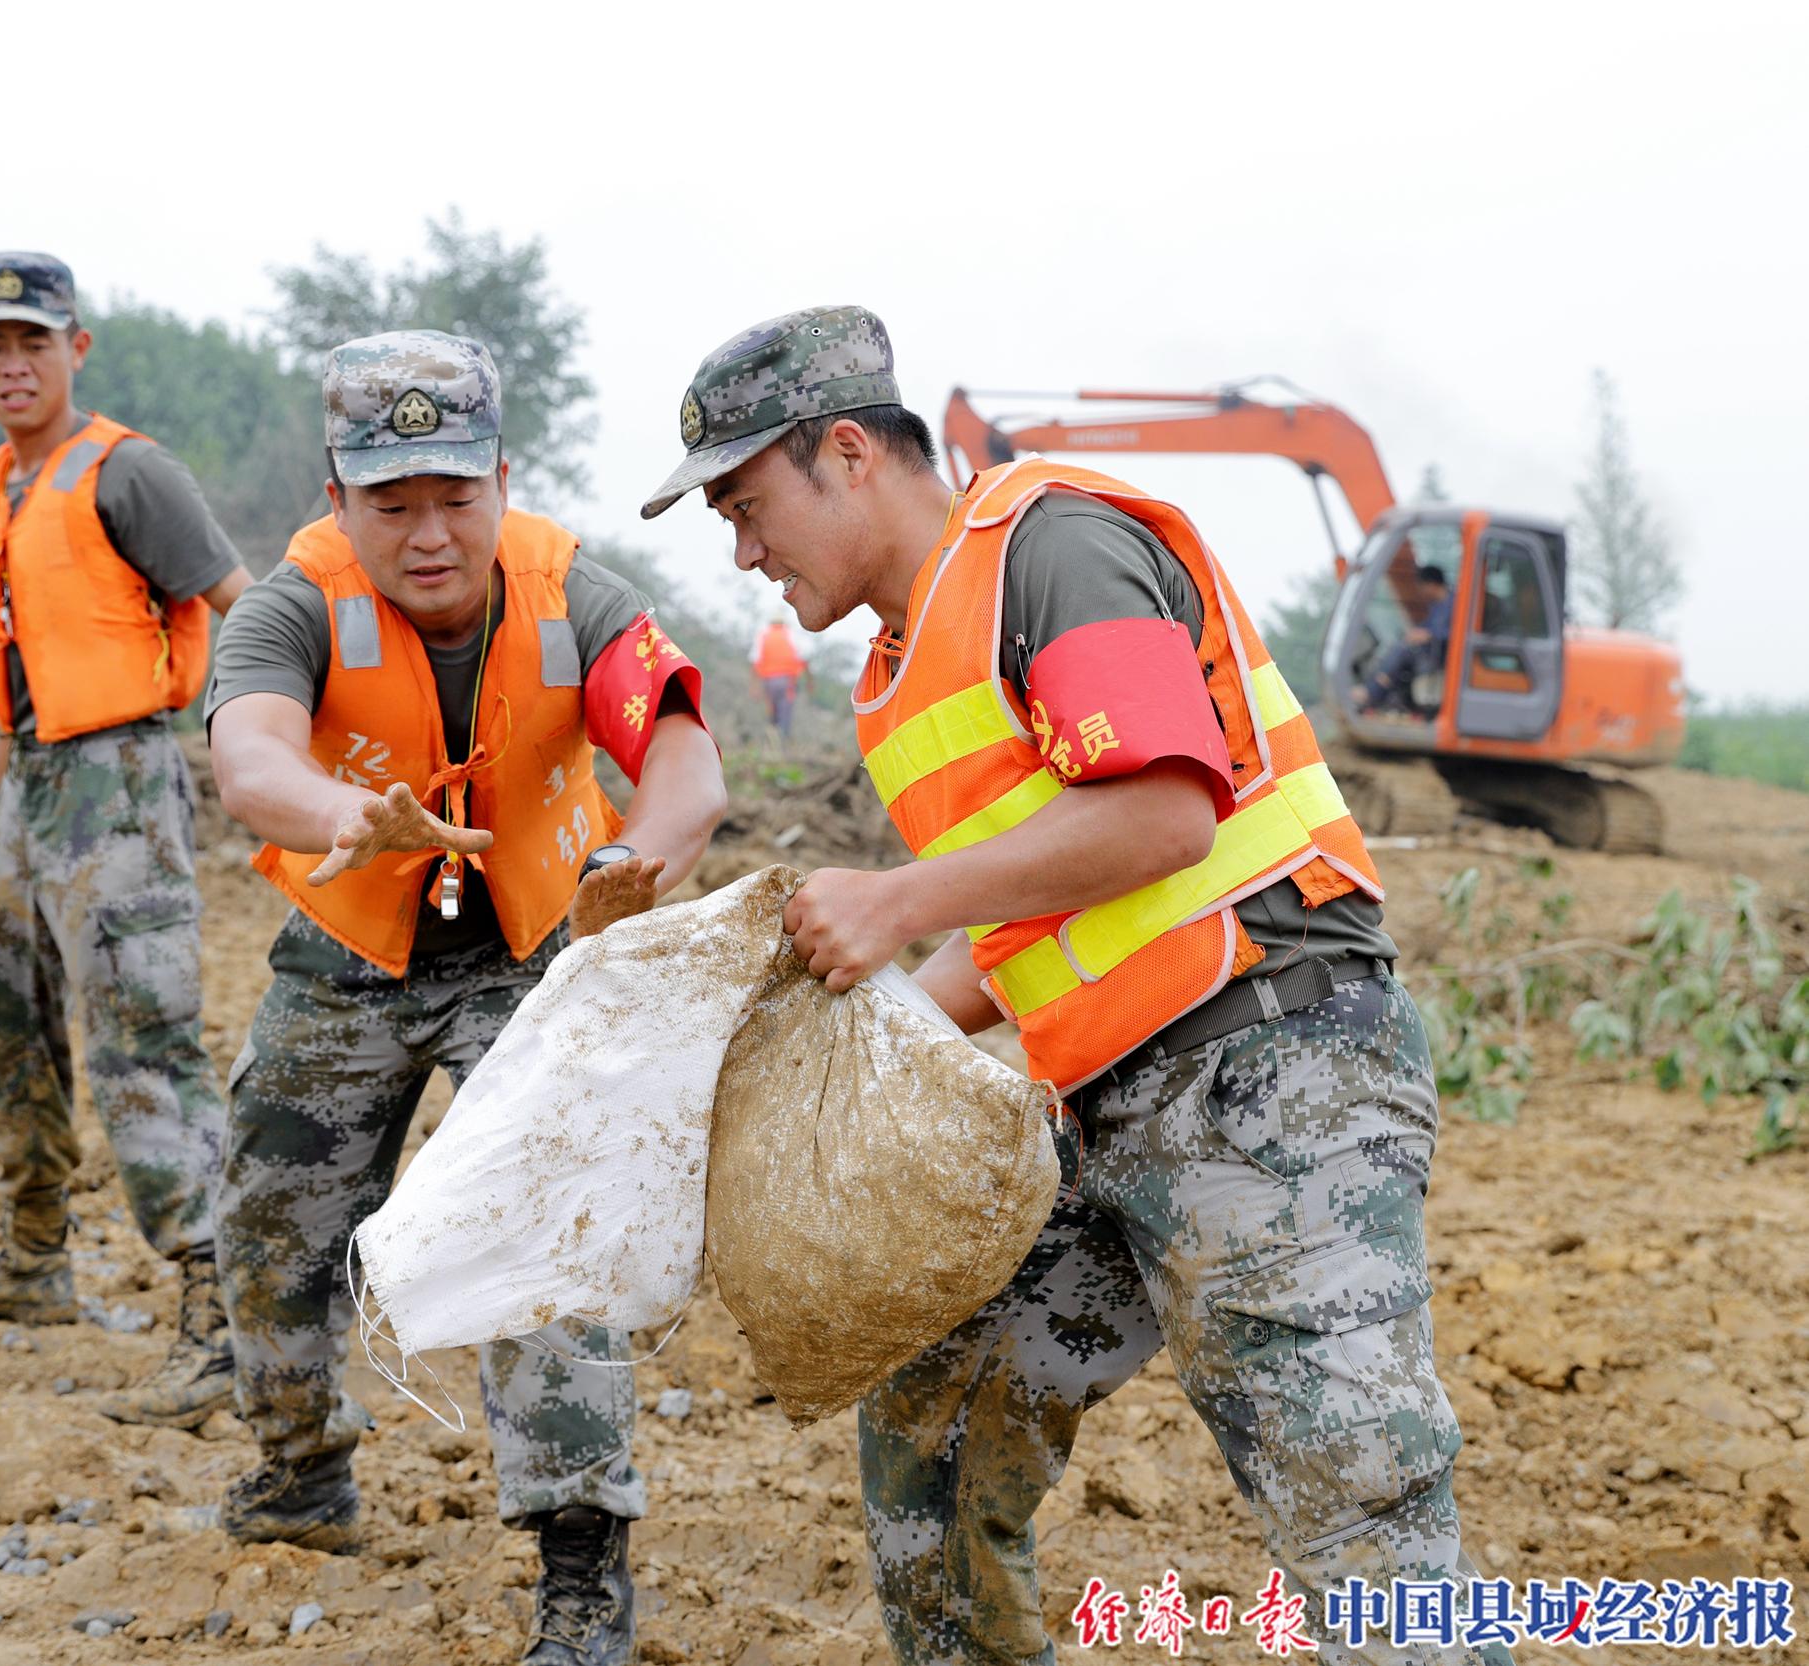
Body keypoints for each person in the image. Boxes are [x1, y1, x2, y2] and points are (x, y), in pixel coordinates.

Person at [646, 306, 1512, 1666]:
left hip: (1268, 1073)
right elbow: (1025, 920)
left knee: (1357, 1521)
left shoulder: (1047, 546)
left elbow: (1164, 812)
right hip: (1101, 1112)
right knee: (931, 1417)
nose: (744, 551)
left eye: (750, 505)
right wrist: (839, 1049)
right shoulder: (898, 668)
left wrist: (896, 898)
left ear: (852, 453)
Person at [206, 330, 725, 1665]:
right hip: (351, 955)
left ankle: (580, 1565)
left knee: (547, 1238)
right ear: (339, 499)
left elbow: (682, 757)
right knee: (269, 1222)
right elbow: (250, 757)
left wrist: (642, 856)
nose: (429, 534)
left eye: (456, 496)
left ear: (503, 477)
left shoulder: (574, 596)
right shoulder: (293, 604)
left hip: (531, 952)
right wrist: (350, 814)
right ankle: (301, 1472)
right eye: (392, 504)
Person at [0, 253, 254, 1434]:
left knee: (140, 1041)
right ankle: (34, 1253)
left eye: (31, 343)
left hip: (120, 780)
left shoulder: (128, 472)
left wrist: (260, 756)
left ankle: (223, 1307)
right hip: (31, 783)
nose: (11, 364)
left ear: (74, 349)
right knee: (2, 1027)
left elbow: (244, 607)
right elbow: (18, 663)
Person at [1361, 562, 1453, 714]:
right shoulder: (1437, 606)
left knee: (1402, 651)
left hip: (1442, 654)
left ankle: (1372, 692)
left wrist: (1429, 635)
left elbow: (1459, 634)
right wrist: (1416, 633)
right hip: (1430, 651)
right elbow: (1427, 627)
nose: (1421, 592)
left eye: (1422, 587)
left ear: (1431, 584)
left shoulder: (1456, 604)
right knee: (1398, 647)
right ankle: (1378, 692)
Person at [749, 615, 808, 740]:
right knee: (785, 714)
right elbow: (802, 658)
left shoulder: (763, 636)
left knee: (772, 713)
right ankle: (782, 743)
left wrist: (754, 686)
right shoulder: (791, 635)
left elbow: (755, 661)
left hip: (769, 682)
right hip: (787, 681)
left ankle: (772, 741)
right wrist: (809, 680)